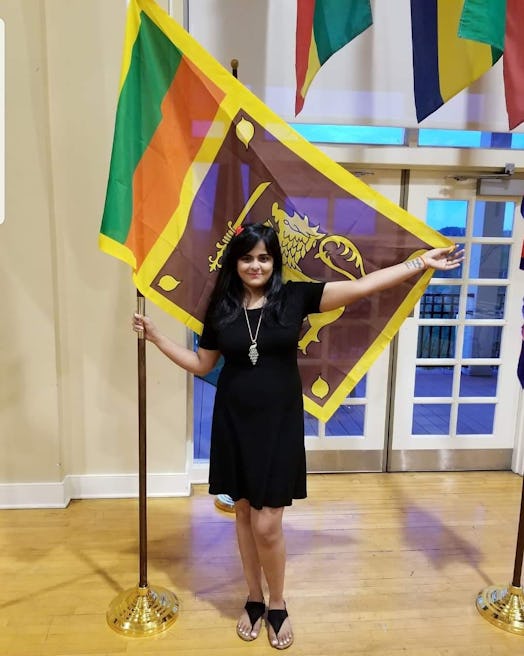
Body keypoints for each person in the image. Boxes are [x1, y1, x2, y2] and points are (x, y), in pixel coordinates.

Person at [133, 222, 463, 649]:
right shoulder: (221, 306)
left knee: (268, 524)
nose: (256, 265)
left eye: (264, 257)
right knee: (244, 513)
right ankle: (253, 598)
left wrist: (419, 263)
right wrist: (157, 337)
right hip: (233, 422)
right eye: (248, 257)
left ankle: (278, 603)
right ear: (236, 261)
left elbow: (362, 287)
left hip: (278, 426)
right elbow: (201, 364)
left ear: (274, 261)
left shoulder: (295, 297)